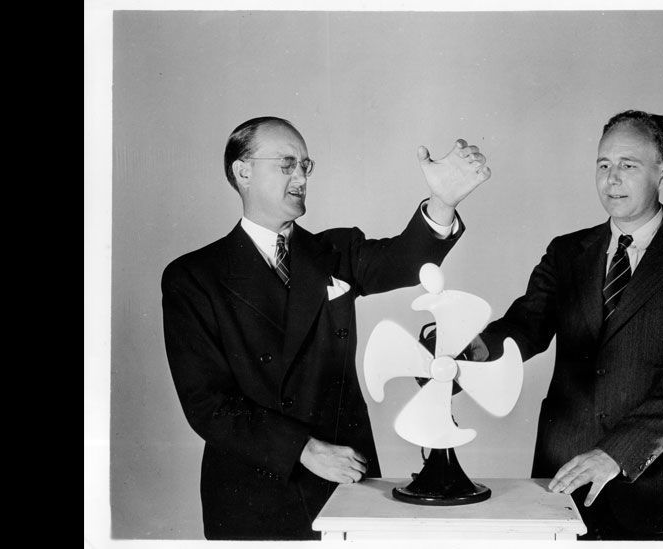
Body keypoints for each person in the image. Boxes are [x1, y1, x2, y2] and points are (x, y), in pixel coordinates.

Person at [161, 116, 490, 540]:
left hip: (343, 485)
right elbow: (208, 405)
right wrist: (303, 449)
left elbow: (402, 261)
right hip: (255, 496)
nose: (301, 176)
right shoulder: (194, 277)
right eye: (286, 164)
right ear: (242, 172)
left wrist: (441, 201)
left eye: (305, 165)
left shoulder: (333, 251)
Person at [466, 110, 663, 540]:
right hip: (562, 483)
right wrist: (464, 356)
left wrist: (616, 453)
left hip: (652, 491)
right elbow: (525, 326)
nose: (612, 179)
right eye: (603, 165)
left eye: (628, 166)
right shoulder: (567, 252)